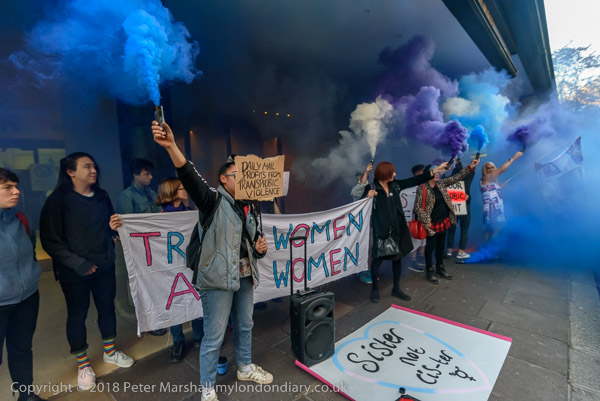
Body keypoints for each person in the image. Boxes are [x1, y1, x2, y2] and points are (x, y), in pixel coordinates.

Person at [151, 120, 272, 401]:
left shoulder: (250, 206)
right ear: (223, 179)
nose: (244, 179)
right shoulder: (213, 201)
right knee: (214, 334)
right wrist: (171, 146)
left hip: (244, 275)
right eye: (237, 174)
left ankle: (245, 367)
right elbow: (190, 177)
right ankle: (207, 388)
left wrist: (260, 249)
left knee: (245, 324)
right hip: (217, 278)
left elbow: (252, 245)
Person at [39, 152, 134, 391]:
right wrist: (79, 263)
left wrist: (112, 232)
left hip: (104, 265)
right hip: (74, 272)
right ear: (70, 172)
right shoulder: (57, 201)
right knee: (77, 315)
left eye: (94, 166)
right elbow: (50, 241)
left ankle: (110, 351)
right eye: (87, 166)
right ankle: (83, 364)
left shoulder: (102, 196)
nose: (93, 170)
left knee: (107, 308)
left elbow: (110, 225)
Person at [369, 160, 449, 303]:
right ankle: (375, 290)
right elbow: (358, 198)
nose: (395, 174)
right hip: (381, 231)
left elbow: (415, 180)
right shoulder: (373, 188)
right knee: (377, 260)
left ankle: (396, 288)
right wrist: (367, 195)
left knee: (397, 258)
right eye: (392, 172)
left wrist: (436, 170)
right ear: (385, 173)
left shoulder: (395, 185)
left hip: (397, 229)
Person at [0, 168, 46, 401]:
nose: (16, 191)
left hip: (27, 297)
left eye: (16, 186)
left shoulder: (22, 218)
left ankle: (26, 395)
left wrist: (30, 277)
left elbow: (30, 249)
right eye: (7, 187)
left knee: (21, 349)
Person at [155, 177, 204, 363]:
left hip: (189, 265)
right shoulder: (158, 218)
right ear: (172, 192)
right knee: (174, 303)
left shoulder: (190, 213)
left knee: (195, 297)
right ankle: (178, 341)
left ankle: (200, 336)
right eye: (183, 188)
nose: (186, 191)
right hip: (169, 268)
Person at [115, 158, 166, 336]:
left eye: (150, 173)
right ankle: (149, 323)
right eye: (146, 174)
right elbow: (127, 227)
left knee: (154, 284)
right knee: (143, 286)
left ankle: (157, 319)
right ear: (135, 175)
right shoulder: (126, 197)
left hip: (153, 247)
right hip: (139, 249)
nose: (150, 177)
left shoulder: (151, 193)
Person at [415, 159, 480, 284]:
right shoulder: (422, 188)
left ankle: (440, 268)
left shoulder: (442, 183)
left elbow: (457, 177)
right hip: (431, 223)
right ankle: (429, 271)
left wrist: (471, 166)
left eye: (438, 172)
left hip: (444, 221)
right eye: (435, 172)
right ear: (429, 174)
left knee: (440, 246)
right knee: (430, 247)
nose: (437, 174)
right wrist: (426, 220)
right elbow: (418, 207)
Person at [480, 151, 523, 242]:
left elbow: (489, 191)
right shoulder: (486, 178)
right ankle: (490, 248)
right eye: (488, 168)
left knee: (490, 229)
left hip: (495, 207)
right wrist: (514, 158)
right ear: (485, 170)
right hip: (492, 208)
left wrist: (499, 187)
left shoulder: (490, 180)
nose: (491, 170)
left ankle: (487, 248)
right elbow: (500, 170)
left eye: (492, 167)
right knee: (495, 228)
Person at [350, 161, 377, 284]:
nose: (361, 180)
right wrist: (366, 172)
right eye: (360, 178)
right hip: (360, 226)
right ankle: (362, 271)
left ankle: (368, 269)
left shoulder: (371, 187)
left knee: (370, 248)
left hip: (370, 223)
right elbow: (361, 189)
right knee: (362, 248)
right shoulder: (356, 190)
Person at [446, 158, 476, 259]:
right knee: (464, 229)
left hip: (453, 206)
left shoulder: (450, 179)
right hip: (464, 205)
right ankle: (461, 252)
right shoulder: (468, 178)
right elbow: (472, 170)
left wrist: (457, 161)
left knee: (451, 229)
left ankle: (449, 251)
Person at [406, 164, 427, 273]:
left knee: (423, 237)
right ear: (416, 173)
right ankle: (412, 260)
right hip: (413, 218)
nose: (424, 173)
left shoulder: (425, 185)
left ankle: (421, 257)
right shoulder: (411, 186)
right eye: (422, 171)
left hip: (423, 217)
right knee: (415, 237)